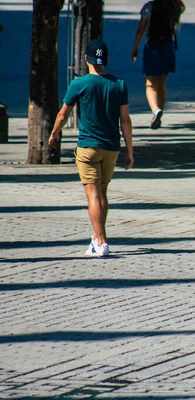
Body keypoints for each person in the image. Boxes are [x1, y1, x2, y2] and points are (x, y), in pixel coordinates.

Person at [48, 40, 134, 257]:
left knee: (93, 195)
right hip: (111, 147)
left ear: (86, 59)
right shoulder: (119, 84)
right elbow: (126, 120)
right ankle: (97, 237)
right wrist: (130, 150)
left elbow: (63, 113)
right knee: (102, 193)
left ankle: (101, 240)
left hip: (88, 146)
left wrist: (54, 133)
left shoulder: (79, 84)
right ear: (106, 60)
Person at [132, 0, 185, 129]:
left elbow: (141, 29)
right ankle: (158, 114)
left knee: (150, 84)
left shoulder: (149, 7)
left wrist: (135, 47)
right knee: (161, 84)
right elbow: (182, 6)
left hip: (152, 46)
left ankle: (155, 110)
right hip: (167, 47)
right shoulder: (174, 6)